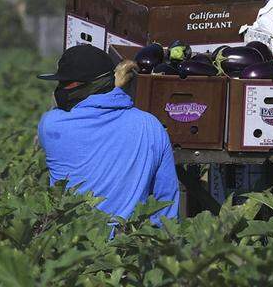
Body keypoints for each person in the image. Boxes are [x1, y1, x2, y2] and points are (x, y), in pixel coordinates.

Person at [37, 45, 180, 224]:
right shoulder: (150, 125)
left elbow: (56, 106)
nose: (60, 89)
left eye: (65, 84)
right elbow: (166, 199)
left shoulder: (51, 125)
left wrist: (116, 87)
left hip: (72, 243)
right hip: (129, 241)